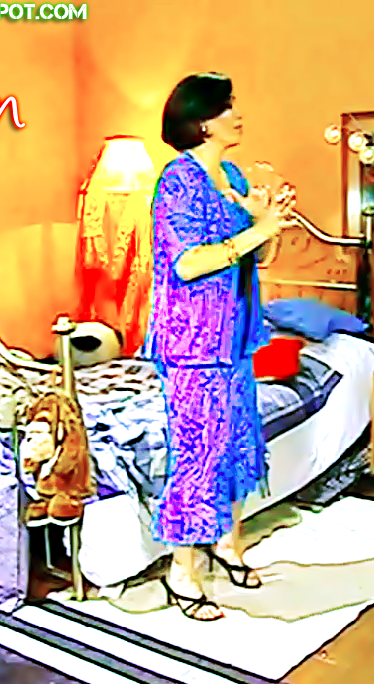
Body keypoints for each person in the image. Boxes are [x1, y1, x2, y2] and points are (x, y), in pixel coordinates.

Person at [143, 72, 296, 620]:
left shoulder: (230, 175)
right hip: (193, 340)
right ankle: (182, 572)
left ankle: (227, 544)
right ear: (203, 121)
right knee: (198, 452)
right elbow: (188, 263)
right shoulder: (176, 182)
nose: (238, 113)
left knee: (235, 441)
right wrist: (256, 230)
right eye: (228, 106)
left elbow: (261, 258)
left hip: (234, 335)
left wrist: (270, 222)